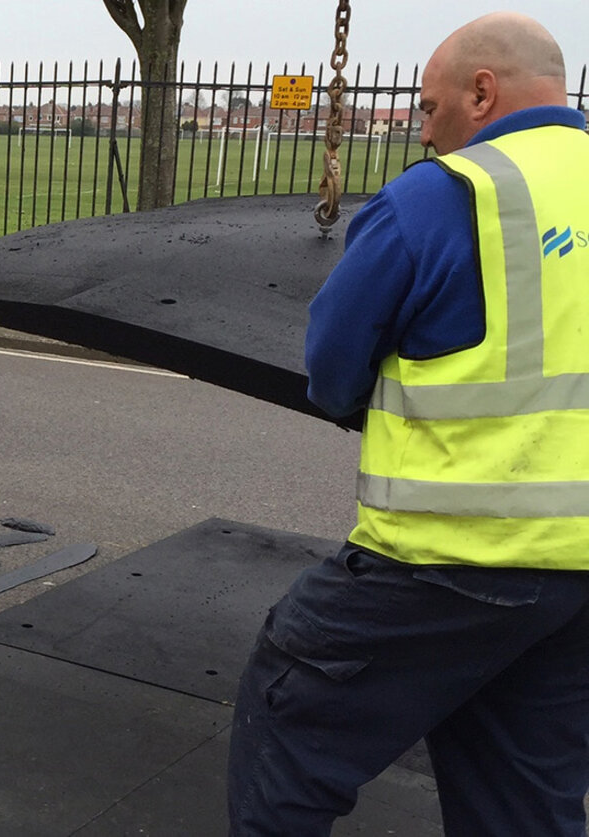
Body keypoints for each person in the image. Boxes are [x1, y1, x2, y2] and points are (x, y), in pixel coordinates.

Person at [227, 11, 589, 836]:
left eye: (429, 109)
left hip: (449, 561)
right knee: (521, 791)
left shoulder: (442, 195)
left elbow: (332, 369)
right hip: (579, 581)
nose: (424, 131)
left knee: (291, 705)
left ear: (483, 93)